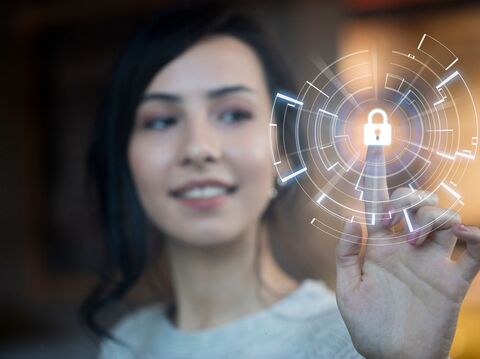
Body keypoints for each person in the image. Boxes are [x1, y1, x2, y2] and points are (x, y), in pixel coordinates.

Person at [81, 3, 480, 358]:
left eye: (233, 114)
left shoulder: (355, 341)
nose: (199, 148)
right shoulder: (126, 342)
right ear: (126, 157)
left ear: (284, 152)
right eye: (162, 120)